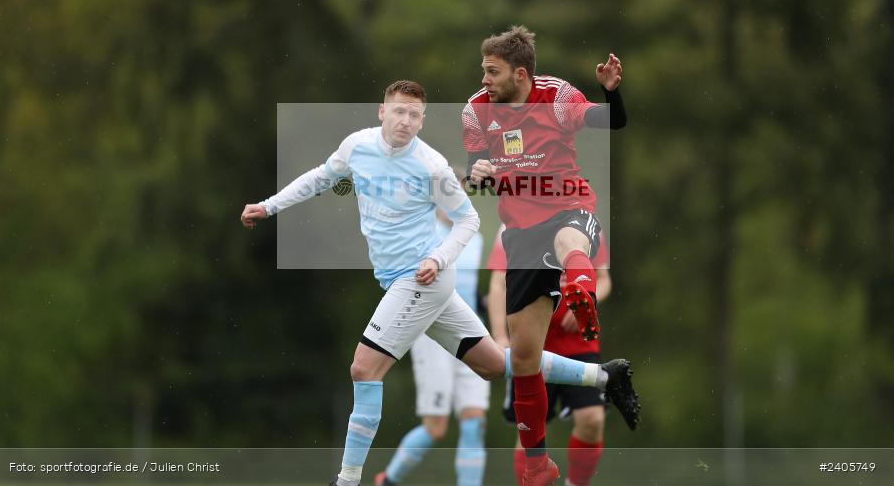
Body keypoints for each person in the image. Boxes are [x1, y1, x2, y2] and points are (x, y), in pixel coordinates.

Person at [241, 80, 635, 486]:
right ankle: (604, 377)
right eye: (398, 111)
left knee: (364, 369)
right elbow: (320, 178)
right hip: (401, 281)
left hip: (422, 279)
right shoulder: (356, 146)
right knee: (496, 365)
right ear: (382, 111)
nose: (405, 121)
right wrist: (268, 206)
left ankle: (347, 480)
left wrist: (438, 258)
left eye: (414, 115)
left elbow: (469, 220)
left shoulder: (432, 166)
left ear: (422, 121)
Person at [462, 26, 640, 486]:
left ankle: (578, 286)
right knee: (523, 359)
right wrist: (476, 172)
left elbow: (612, 123)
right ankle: (538, 466)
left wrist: (610, 93)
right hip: (518, 233)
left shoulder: (557, 96)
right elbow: (475, 171)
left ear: (520, 74)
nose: (484, 80)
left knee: (569, 244)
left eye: (492, 72)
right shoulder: (476, 111)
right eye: (483, 71)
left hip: (568, 205)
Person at [489, 225, 612, 486]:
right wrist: (499, 335)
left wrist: (588, 300)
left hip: (579, 345)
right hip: (532, 343)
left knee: (592, 419)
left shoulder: (588, 224)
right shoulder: (512, 224)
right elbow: (499, 282)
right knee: (530, 434)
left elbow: (604, 279)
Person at [375, 208, 489, 486]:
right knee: (436, 427)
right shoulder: (422, 234)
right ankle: (388, 480)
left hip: (471, 331)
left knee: (475, 421)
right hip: (433, 333)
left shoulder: (475, 237)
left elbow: (468, 286)